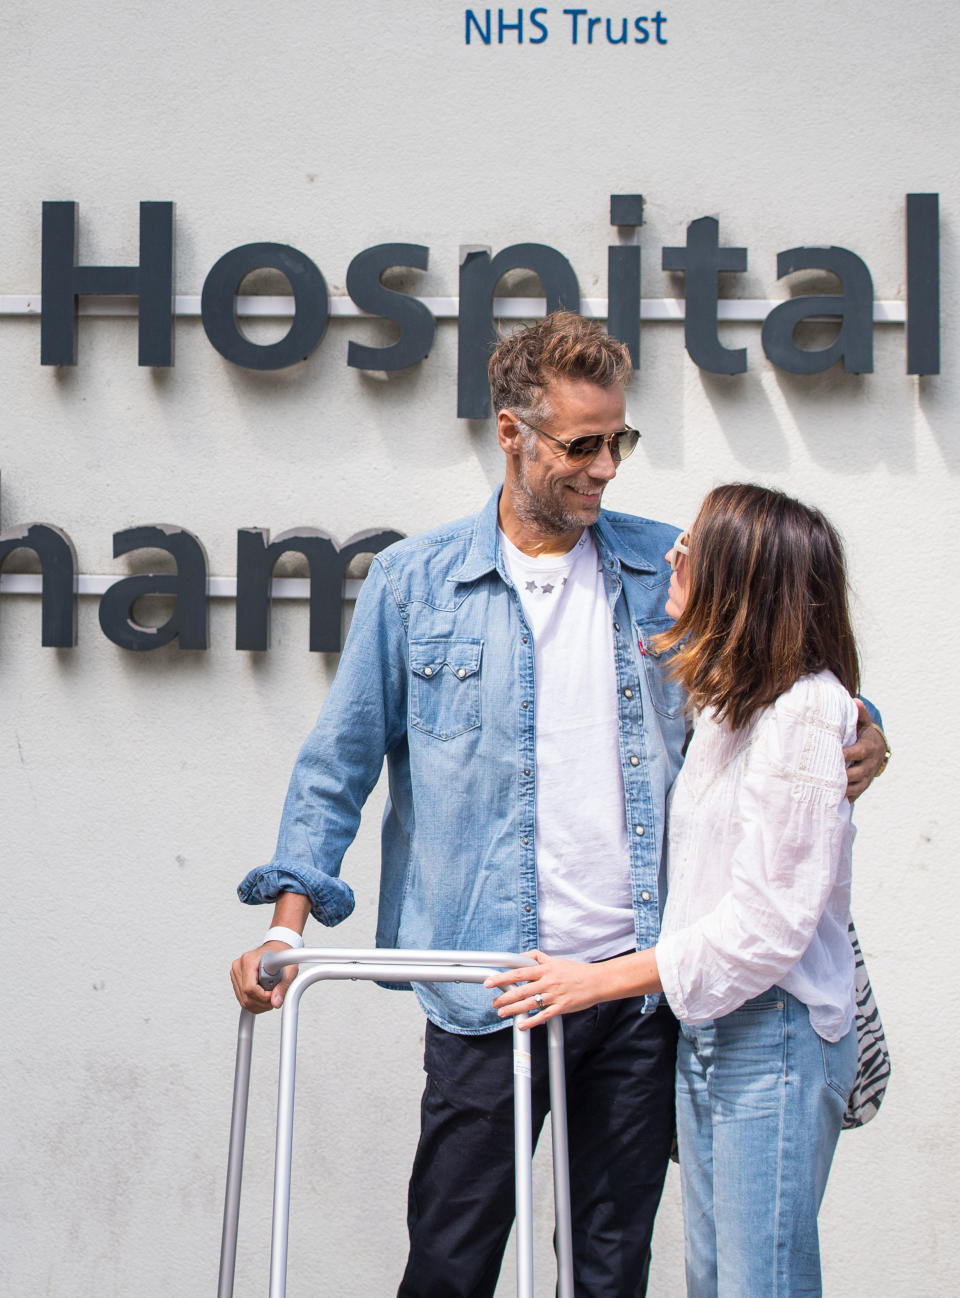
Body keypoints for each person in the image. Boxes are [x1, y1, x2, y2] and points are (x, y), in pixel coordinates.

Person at [230, 315, 887, 1298]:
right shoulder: (416, 584)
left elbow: (786, 656)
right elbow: (337, 766)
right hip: (486, 985)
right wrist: (284, 929)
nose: (604, 467)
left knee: (610, 1264)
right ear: (513, 434)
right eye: (582, 445)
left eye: (617, 441)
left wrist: (865, 721)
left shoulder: (664, 566)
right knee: (450, 1259)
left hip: (629, 991)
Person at [486, 482, 887, 1298]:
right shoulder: (730, 708)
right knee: (718, 1281)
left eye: (694, 546)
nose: (673, 552)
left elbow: (766, 926)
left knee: (758, 1284)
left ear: (745, 580)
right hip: (716, 1033)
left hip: (773, 1036)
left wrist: (597, 979)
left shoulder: (804, 713)